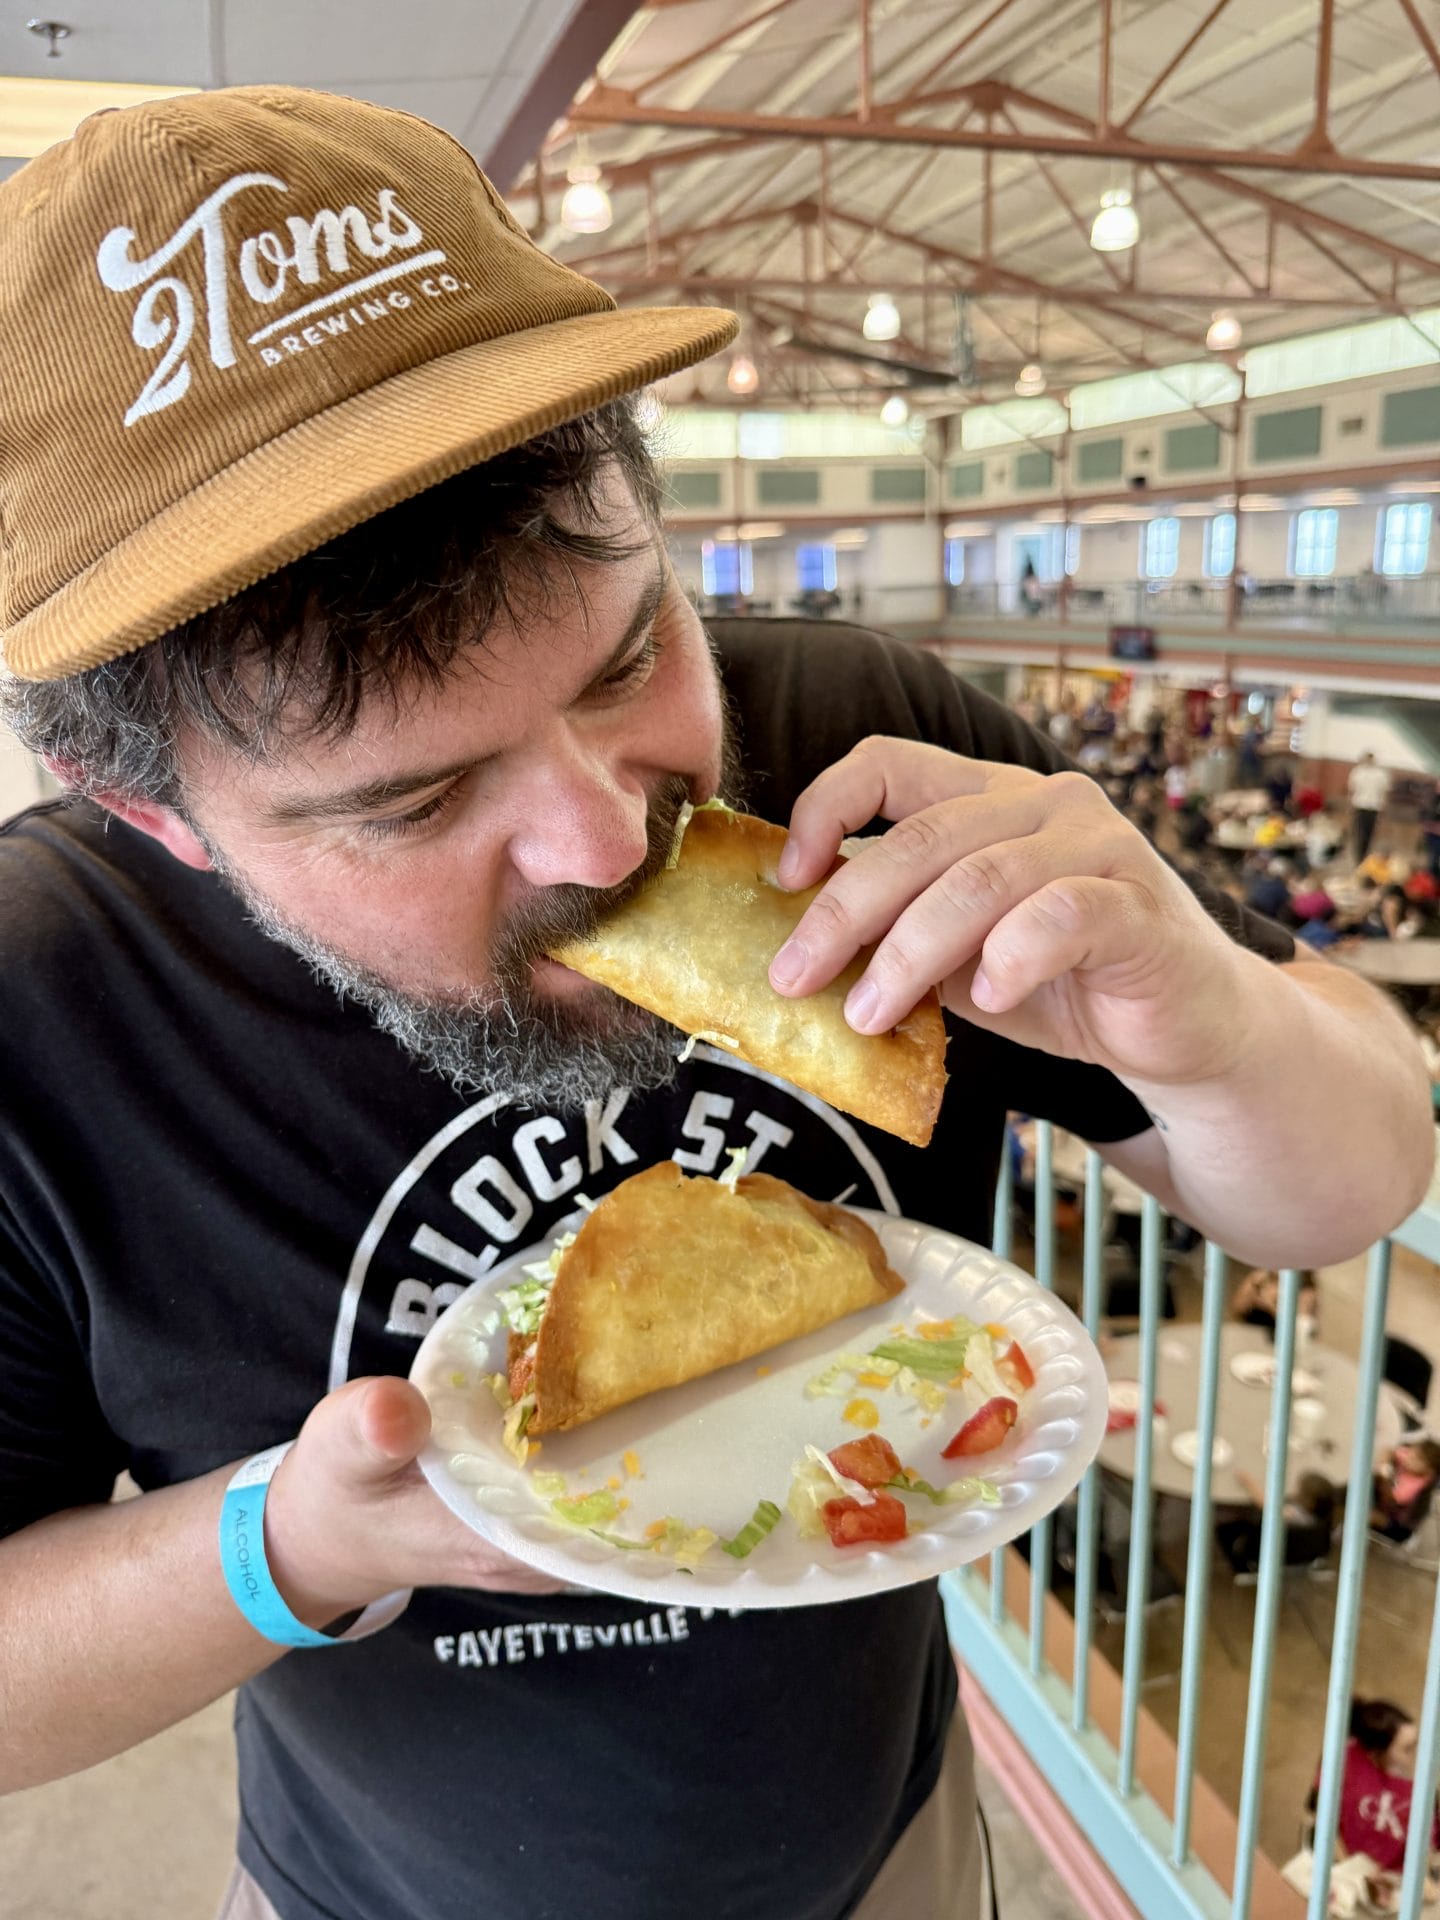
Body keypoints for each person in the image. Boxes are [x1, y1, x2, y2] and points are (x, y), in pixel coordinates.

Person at [0, 88, 1431, 1920]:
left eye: (630, 657)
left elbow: (1363, 1171)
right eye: (417, 802)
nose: (606, 833)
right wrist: (278, 1552)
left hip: (896, 1855)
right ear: (155, 814)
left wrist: (1214, 1018)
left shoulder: (875, 754)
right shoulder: (43, 1014)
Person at [1308, 1698, 1440, 1906]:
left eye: (1417, 1743)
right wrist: (1354, 1872)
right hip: (1348, 1873)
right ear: (1376, 1754)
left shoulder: (1424, 1780)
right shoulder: (1343, 1761)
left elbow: (1431, 1844)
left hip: (1401, 1883)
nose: (1417, 1754)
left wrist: (1418, 1878)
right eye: (1407, 1749)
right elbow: (1323, 1824)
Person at [1216, 1468, 1337, 1576]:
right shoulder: (1323, 1519)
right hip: (1310, 1554)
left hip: (1279, 1553)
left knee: (1225, 1530)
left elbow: (1265, 1504)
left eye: (1298, 1491)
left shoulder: (1294, 1515)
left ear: (1309, 1502)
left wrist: (1248, 1482)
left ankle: (1242, 1570)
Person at [1371, 1439, 1440, 1544]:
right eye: (1412, 1452)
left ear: (1429, 1470)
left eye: (1416, 1459)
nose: (1408, 1457)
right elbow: (1387, 1450)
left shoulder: (1416, 1485)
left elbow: (1391, 1499)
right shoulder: (1411, 1458)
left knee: (1369, 1515)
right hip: (1385, 1504)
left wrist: (1384, 1478)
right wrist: (1385, 1467)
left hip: (1399, 1527)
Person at [1232, 1267, 1321, 1335]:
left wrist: (1271, 1306)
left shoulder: (1306, 1294)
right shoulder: (1259, 1279)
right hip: (1251, 1335)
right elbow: (1238, 1309)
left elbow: (1301, 1333)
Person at [1349, 753, 1391, 866]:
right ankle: (1359, 856)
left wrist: (1383, 809)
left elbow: (1384, 792)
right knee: (1360, 832)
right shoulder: (1357, 772)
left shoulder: (1380, 774)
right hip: (1360, 805)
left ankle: (1364, 855)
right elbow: (1352, 789)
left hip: (1373, 807)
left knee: (1369, 833)